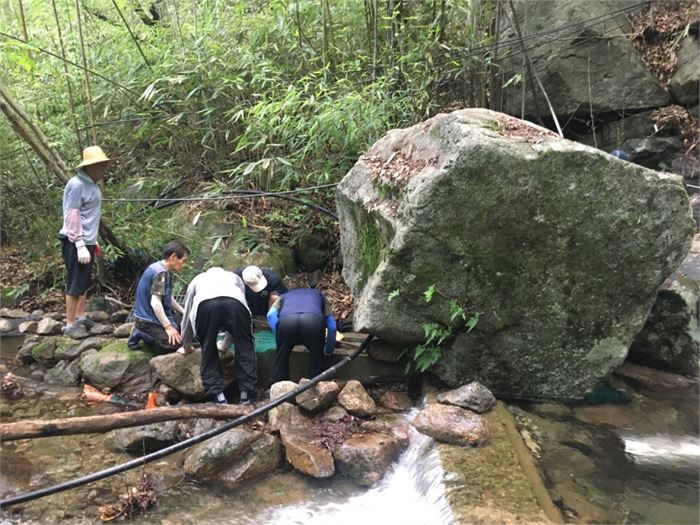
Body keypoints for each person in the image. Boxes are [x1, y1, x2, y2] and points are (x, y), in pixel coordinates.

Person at [180, 267, 256, 405]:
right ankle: (245, 394)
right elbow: (241, 301)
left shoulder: (198, 279)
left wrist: (186, 344)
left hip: (205, 305)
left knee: (208, 347)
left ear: (208, 272)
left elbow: (187, 312)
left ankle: (219, 396)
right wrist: (226, 344)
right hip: (235, 303)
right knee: (245, 344)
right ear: (223, 271)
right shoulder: (234, 277)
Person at [58, 146, 111, 339]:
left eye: (103, 165)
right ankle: (70, 324)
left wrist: (92, 241)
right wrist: (79, 243)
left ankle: (80, 316)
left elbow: (90, 216)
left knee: (84, 281)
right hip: (74, 240)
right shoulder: (77, 184)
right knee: (74, 281)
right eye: (99, 166)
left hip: (86, 240)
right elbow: (71, 215)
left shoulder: (92, 184)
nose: (102, 170)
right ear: (89, 166)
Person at [128, 241, 189, 353]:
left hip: (152, 316)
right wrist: (168, 327)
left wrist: (182, 311)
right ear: (174, 257)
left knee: (185, 329)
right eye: (183, 261)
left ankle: (144, 332)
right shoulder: (160, 274)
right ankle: (142, 333)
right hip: (147, 320)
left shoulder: (159, 268)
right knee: (175, 344)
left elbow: (167, 296)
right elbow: (155, 303)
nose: (183, 265)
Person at [266, 288, 337, 383]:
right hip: (313, 323)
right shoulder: (319, 295)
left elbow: (271, 315)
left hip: (287, 323)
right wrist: (328, 351)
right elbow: (332, 327)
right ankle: (315, 387)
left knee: (281, 357)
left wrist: (279, 335)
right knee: (317, 357)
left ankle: (278, 387)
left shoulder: (284, 296)